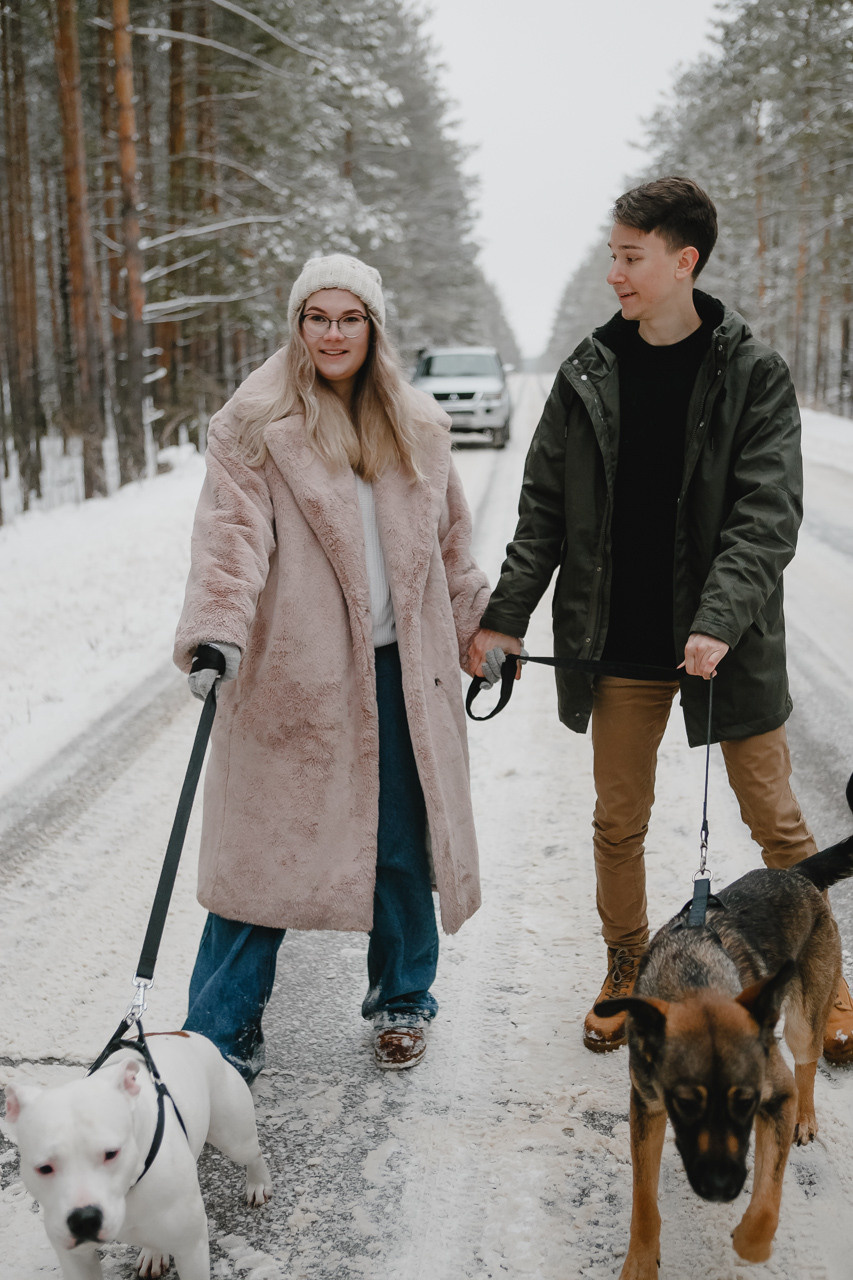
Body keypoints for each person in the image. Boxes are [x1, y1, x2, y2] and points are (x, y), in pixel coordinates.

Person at [466, 176, 853, 1061]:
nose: (615, 273)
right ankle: (625, 963)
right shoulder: (586, 374)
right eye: (611, 255)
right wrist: (504, 618)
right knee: (617, 821)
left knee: (779, 828)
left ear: (683, 261)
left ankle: (826, 982)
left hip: (728, 647)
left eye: (630, 257)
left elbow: (767, 513)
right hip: (618, 648)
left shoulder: (752, 373)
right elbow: (542, 515)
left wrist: (717, 618)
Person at [174, 253, 489, 1080]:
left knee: (398, 847)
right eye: (317, 317)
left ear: (373, 328)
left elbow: (453, 546)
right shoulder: (253, 423)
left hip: (399, 670)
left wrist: (477, 628)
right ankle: (219, 1033)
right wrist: (216, 629)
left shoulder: (415, 425)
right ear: (297, 324)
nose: (333, 334)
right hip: (293, 675)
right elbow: (230, 538)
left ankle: (400, 1001)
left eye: (350, 318)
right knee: (262, 858)